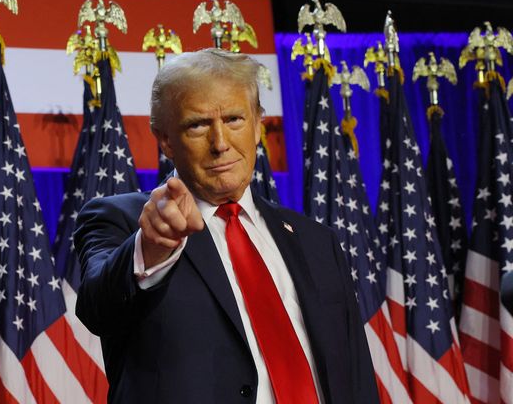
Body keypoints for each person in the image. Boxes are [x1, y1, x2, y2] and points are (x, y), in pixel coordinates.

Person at [74, 48, 378, 403]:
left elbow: (354, 375)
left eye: (234, 119)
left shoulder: (316, 242)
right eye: (198, 125)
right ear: (166, 139)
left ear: (258, 125)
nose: (220, 143)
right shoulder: (123, 221)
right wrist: (153, 248)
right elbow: (99, 309)